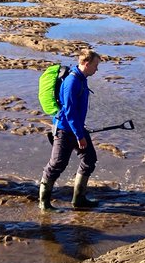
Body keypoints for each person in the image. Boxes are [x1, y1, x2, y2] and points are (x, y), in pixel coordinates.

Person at [39, 49, 102, 211]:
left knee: (89, 159)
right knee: (57, 164)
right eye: (95, 65)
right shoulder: (72, 82)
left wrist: (81, 130)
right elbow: (69, 112)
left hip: (77, 128)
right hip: (65, 130)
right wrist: (79, 135)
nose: (97, 69)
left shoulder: (82, 78)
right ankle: (44, 203)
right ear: (86, 63)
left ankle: (78, 199)